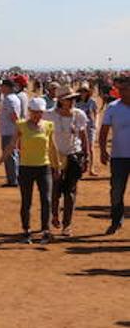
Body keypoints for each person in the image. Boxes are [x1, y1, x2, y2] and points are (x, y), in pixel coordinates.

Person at [0, 97, 60, 243]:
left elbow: (52, 147)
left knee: (47, 200)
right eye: (34, 112)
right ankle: (26, 230)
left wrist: (56, 166)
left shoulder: (49, 126)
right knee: (26, 201)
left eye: (40, 112)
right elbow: (11, 146)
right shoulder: (21, 125)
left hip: (44, 167)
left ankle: (45, 230)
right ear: (29, 111)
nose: (37, 115)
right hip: (26, 168)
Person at [50, 86, 92, 236]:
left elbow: (83, 135)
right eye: (69, 99)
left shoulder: (79, 114)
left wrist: (87, 156)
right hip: (54, 157)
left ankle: (67, 224)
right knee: (55, 190)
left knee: (71, 191)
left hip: (74, 154)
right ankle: (54, 216)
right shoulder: (49, 116)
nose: (73, 101)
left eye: (74, 98)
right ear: (60, 101)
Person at [96, 76, 130, 235]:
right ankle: (116, 220)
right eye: (120, 90)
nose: (122, 93)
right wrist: (102, 150)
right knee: (116, 190)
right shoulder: (113, 107)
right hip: (119, 157)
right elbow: (103, 132)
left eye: (125, 89)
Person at [0, 78, 23, 187]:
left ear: (7, 87)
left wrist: (17, 128)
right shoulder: (13, 98)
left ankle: (12, 179)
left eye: (2, 86)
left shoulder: (9, 99)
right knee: (13, 154)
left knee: (9, 155)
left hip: (9, 131)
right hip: (10, 130)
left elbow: (14, 116)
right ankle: (14, 177)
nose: (1, 88)